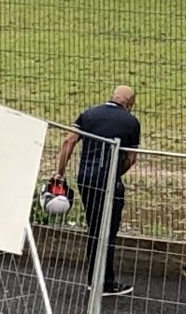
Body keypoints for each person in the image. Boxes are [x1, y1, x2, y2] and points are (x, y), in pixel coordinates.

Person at [54, 85, 140, 298]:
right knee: (107, 230)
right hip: (109, 181)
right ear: (129, 104)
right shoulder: (131, 122)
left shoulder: (89, 114)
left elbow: (68, 141)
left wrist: (59, 173)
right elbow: (131, 158)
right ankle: (103, 283)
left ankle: (95, 279)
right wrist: (116, 174)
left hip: (85, 178)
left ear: (112, 96)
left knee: (94, 226)